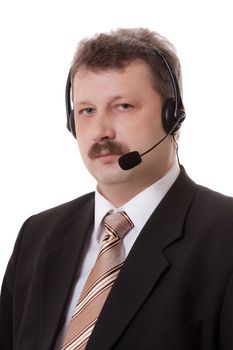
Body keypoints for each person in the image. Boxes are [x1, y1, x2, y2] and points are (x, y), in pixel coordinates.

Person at [0, 27, 233, 350]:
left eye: (122, 106)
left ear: (173, 116)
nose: (100, 131)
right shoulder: (37, 236)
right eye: (87, 111)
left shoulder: (225, 234)